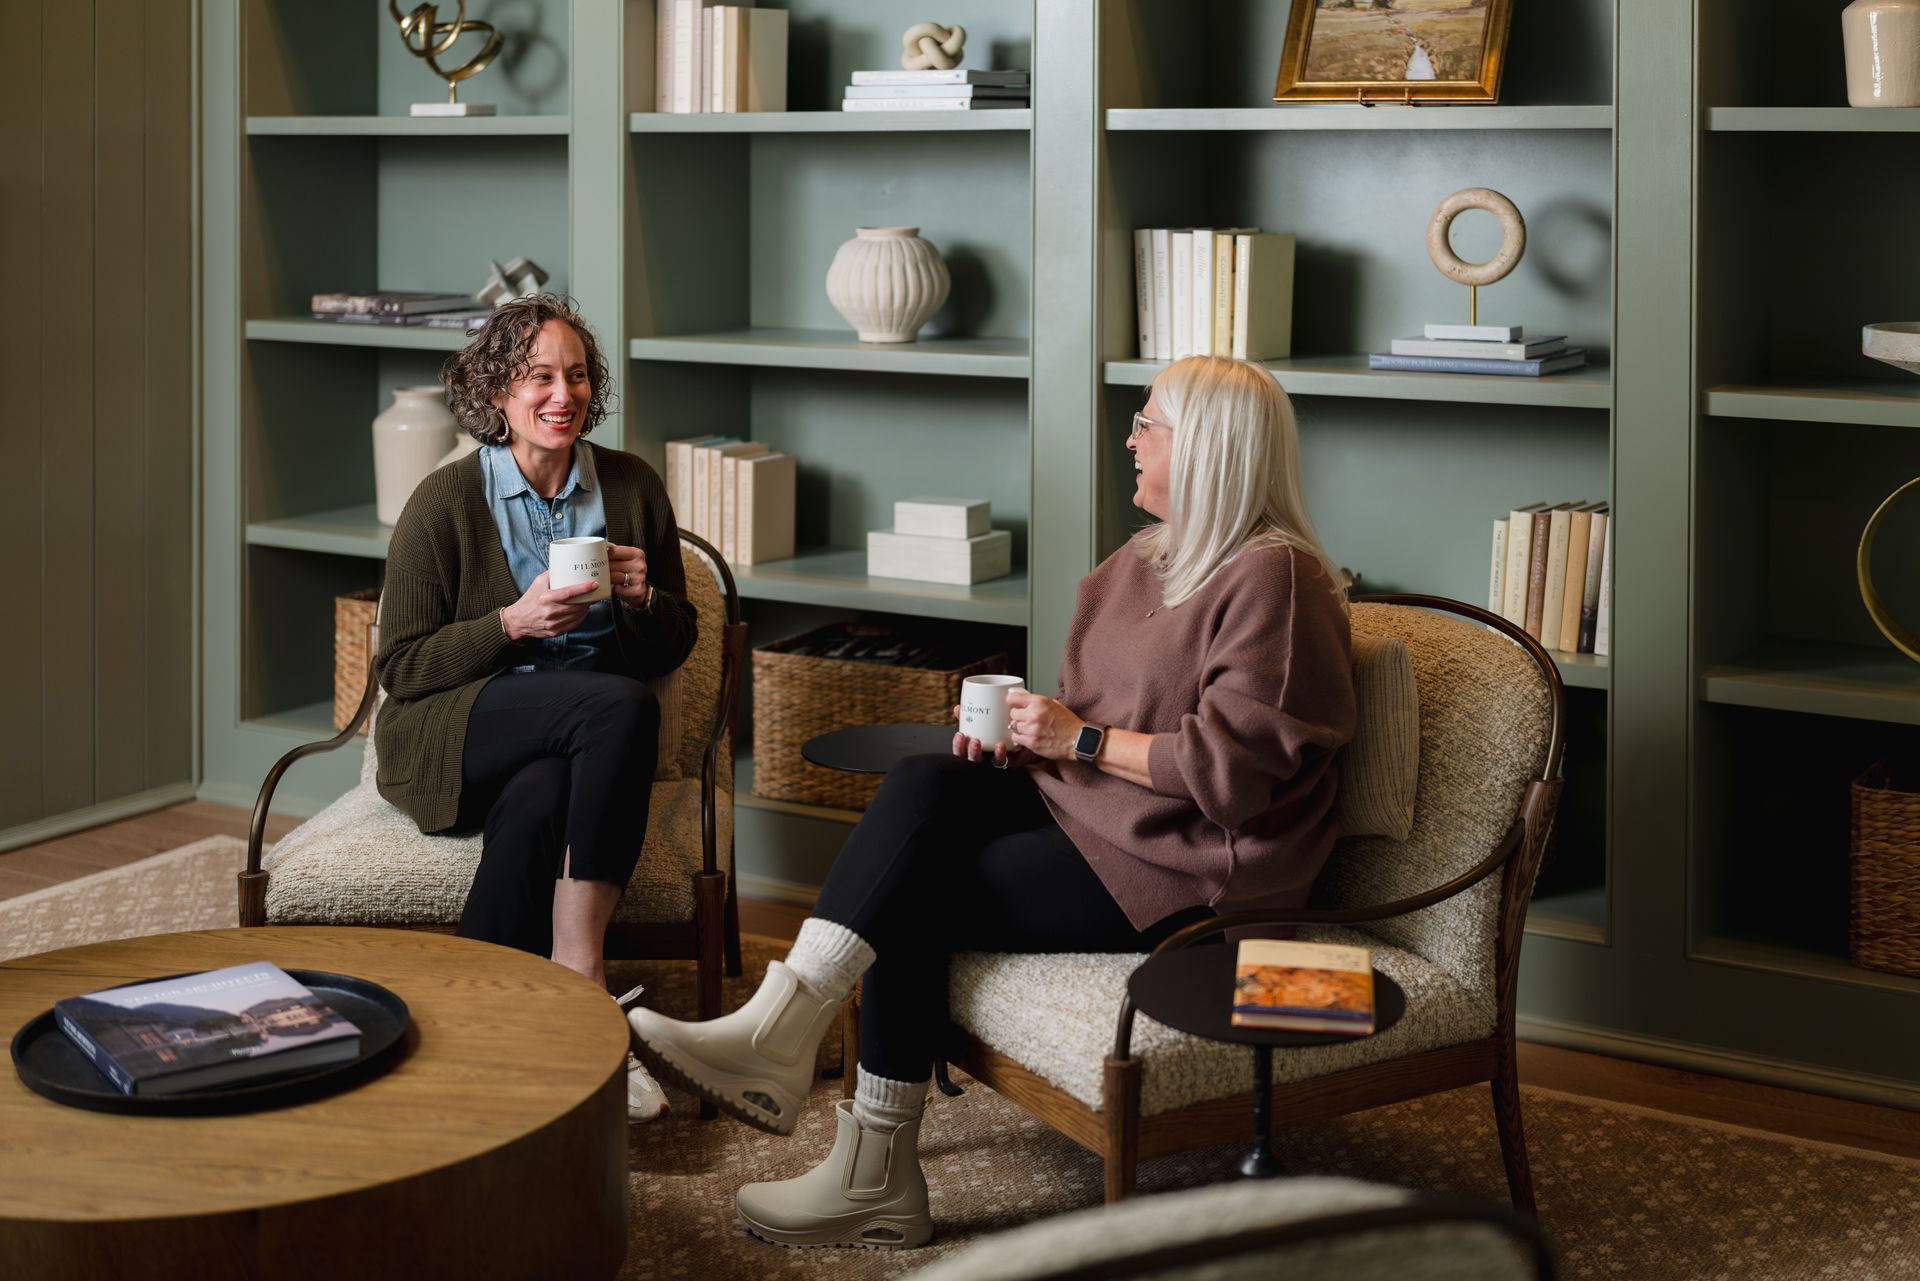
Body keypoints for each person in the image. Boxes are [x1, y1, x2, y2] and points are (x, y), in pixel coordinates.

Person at [629, 355, 1357, 1245]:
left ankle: (870, 1174)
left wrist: (1075, 739)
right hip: (1103, 817)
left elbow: (1232, 775)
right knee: (923, 778)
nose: (1129, 439)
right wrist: (1027, 735)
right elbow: (1096, 709)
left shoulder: (1277, 579)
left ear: (1209, 449)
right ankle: (784, 1027)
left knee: (911, 890)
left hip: (1192, 873)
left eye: (1149, 424)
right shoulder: (1148, 557)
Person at [373, 294, 696, 1123]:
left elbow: (675, 640)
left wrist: (643, 595)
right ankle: (582, 978)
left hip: (566, 745)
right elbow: (402, 669)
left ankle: (476, 1032)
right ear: (499, 393)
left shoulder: (630, 486)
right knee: (618, 709)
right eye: (539, 376)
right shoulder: (442, 503)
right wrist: (508, 624)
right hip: (460, 723)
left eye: (578, 375)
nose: (564, 394)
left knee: (542, 800)